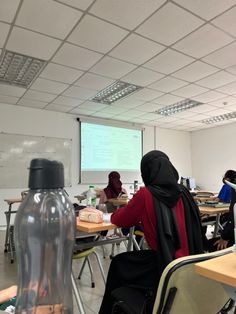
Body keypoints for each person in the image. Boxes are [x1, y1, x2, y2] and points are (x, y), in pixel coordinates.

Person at [99, 150, 204, 314]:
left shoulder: (146, 194)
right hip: (191, 264)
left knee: (118, 264)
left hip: (162, 265)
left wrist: (114, 213)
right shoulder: (184, 193)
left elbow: (121, 220)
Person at [208, 170, 236, 251]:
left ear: (227, 178)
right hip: (227, 217)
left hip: (226, 218)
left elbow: (218, 199)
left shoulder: (229, 187)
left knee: (210, 244)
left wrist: (225, 237)